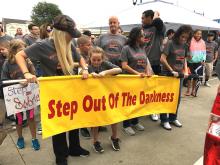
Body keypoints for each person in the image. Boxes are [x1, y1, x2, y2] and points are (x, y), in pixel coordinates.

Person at [15, 15, 89, 165]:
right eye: (70, 35)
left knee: (75, 120)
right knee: (59, 125)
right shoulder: (43, 45)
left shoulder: (69, 43)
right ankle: (61, 157)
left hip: (72, 88)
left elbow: (80, 57)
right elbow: (19, 55)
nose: (71, 38)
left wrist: (84, 68)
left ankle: (74, 148)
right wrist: (27, 73)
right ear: (61, 34)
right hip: (54, 92)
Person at [1, 39, 40, 150]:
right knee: (18, 119)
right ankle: (20, 137)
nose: (25, 52)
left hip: (29, 95)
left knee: (31, 117)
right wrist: (18, 82)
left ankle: (34, 138)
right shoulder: (7, 64)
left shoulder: (28, 62)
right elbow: (3, 80)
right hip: (16, 97)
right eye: (21, 50)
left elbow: (34, 76)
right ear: (14, 51)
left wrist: (30, 78)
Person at [87, 47, 122, 153]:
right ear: (90, 58)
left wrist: (105, 72)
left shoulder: (105, 64)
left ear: (103, 59)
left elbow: (119, 69)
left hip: (107, 96)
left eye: (99, 60)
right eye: (94, 60)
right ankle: (95, 141)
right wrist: (89, 74)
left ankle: (114, 137)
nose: (96, 62)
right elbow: (80, 72)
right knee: (96, 121)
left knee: (113, 117)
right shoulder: (87, 67)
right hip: (94, 98)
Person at [121, 27, 153, 135]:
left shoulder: (142, 48)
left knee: (138, 102)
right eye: (142, 35)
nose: (144, 37)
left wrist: (147, 71)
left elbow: (145, 62)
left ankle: (135, 122)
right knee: (128, 103)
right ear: (136, 37)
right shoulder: (126, 48)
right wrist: (137, 74)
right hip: (129, 81)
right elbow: (124, 66)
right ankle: (126, 125)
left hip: (141, 80)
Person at [160, 25, 192, 130]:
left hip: (179, 75)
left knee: (176, 99)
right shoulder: (170, 43)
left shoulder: (185, 45)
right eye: (182, 37)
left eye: (186, 38)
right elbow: (162, 58)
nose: (183, 39)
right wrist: (171, 70)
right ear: (178, 34)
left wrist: (186, 70)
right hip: (168, 74)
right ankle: (164, 120)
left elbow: (185, 59)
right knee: (166, 98)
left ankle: (173, 118)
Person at [142, 10, 165, 121]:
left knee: (154, 88)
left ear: (150, 18)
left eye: (143, 18)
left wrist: (156, 15)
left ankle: (153, 110)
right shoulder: (141, 29)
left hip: (155, 62)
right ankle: (143, 108)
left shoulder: (158, 28)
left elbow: (159, 23)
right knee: (143, 88)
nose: (141, 20)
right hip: (142, 63)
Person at [76, 35, 92, 138]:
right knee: (81, 106)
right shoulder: (76, 54)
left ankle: (93, 124)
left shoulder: (90, 53)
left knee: (91, 105)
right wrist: (82, 66)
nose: (91, 46)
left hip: (90, 83)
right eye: (88, 45)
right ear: (81, 46)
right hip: (79, 83)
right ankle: (83, 127)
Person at [185, 29, 206, 96]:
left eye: (200, 34)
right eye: (197, 33)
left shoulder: (203, 42)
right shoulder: (190, 40)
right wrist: (188, 54)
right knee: (189, 76)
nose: (199, 35)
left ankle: (193, 90)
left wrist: (203, 60)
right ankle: (188, 90)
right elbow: (186, 48)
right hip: (190, 61)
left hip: (198, 62)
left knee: (196, 77)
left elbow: (204, 52)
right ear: (194, 34)